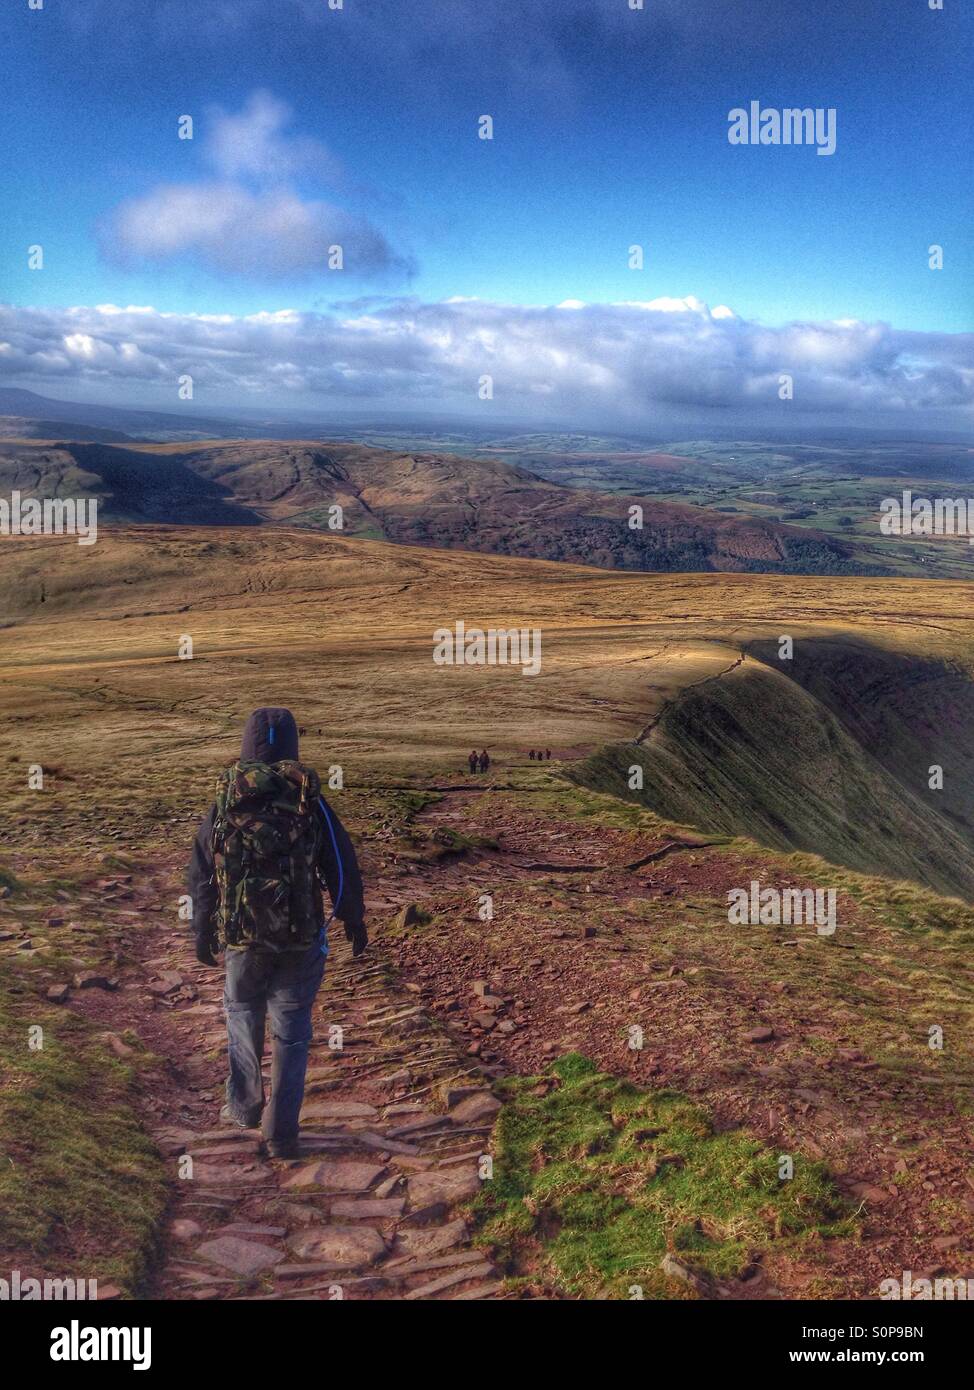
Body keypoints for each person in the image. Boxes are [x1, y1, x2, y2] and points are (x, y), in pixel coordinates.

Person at [187, 706, 366, 1159]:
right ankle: (282, 1134)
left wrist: (201, 929)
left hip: (241, 939)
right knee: (291, 1034)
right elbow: (340, 864)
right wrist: (352, 919)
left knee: (242, 1018)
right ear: (293, 744)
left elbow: (202, 870)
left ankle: (246, 1107)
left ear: (246, 742)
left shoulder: (227, 800)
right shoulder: (309, 799)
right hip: (299, 938)